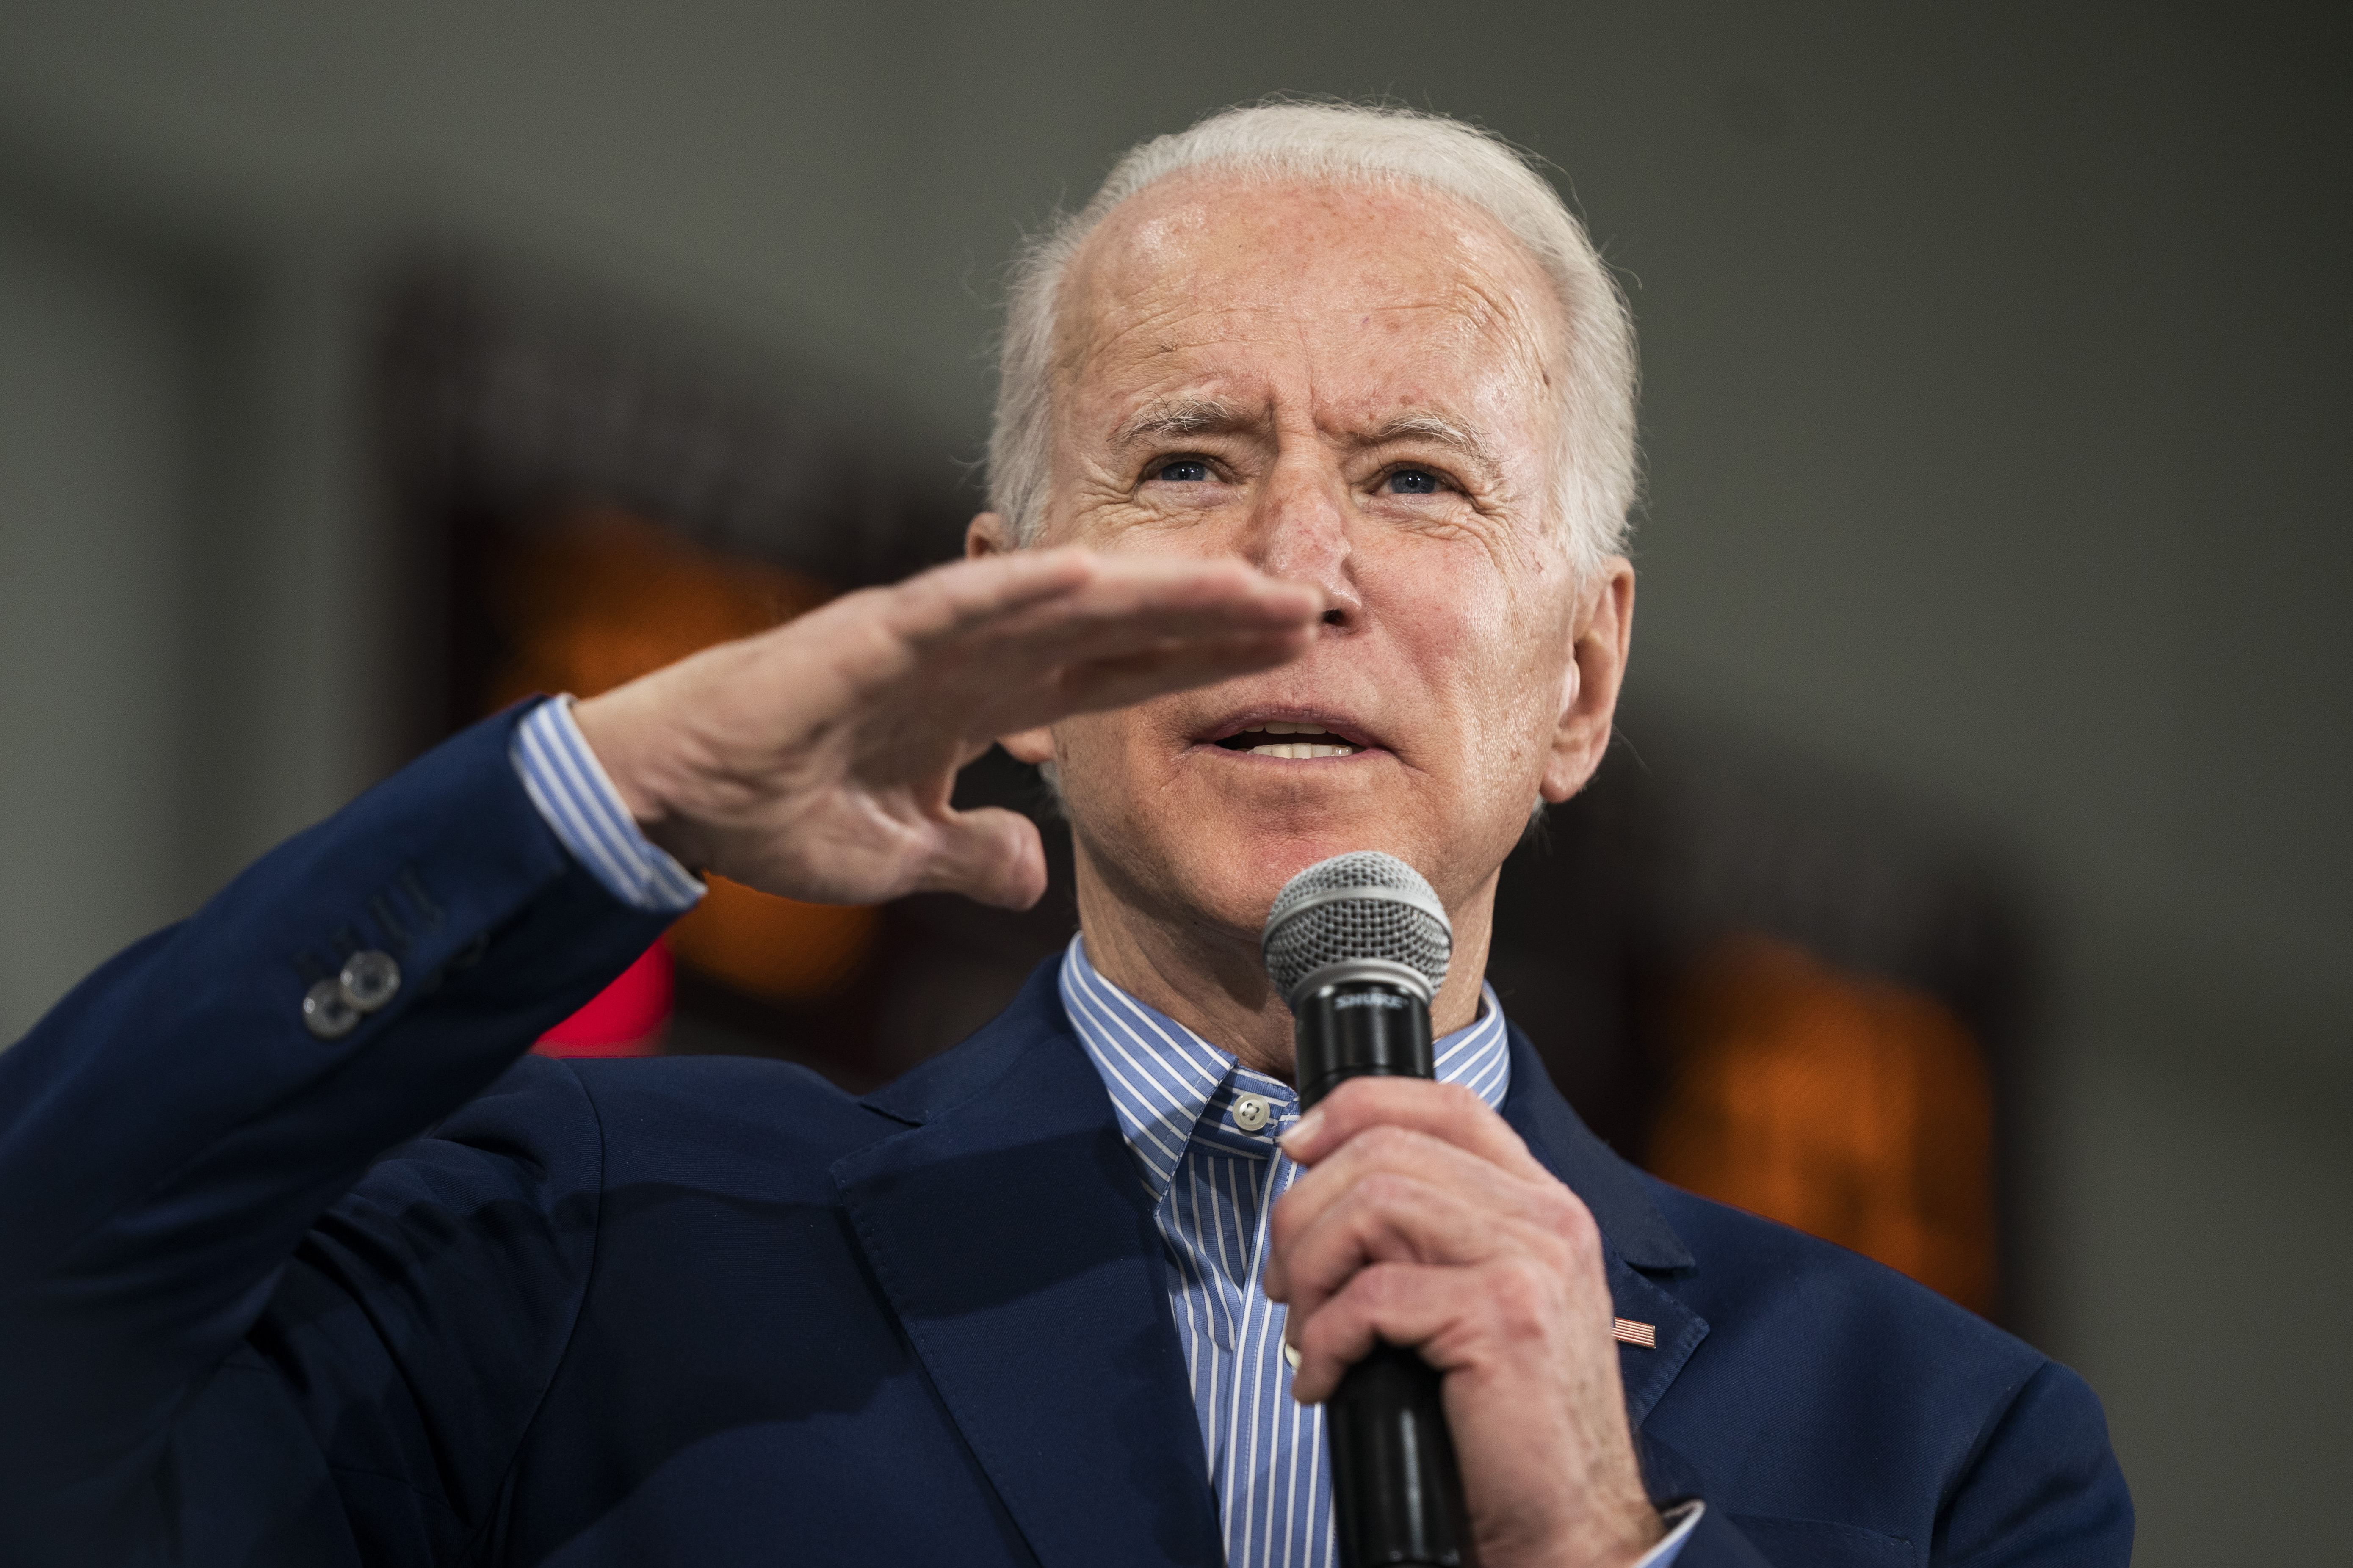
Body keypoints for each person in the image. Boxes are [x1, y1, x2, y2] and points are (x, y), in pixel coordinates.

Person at [0, 102, 2130, 1568]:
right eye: (1187, 461)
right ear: (1015, 629)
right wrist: (607, 783)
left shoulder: (1943, 1449)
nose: (1299, 564)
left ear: (1580, 679)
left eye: (1413, 478)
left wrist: (1589, 1541)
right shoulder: (582, 1249)